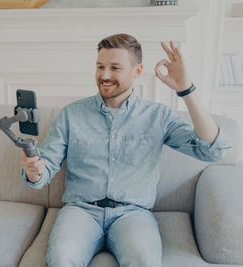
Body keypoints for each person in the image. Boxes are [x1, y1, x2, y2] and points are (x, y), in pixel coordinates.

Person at [20, 33, 231, 267]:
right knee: (61, 257)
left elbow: (211, 151)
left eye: (115, 68)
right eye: (100, 66)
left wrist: (186, 91)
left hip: (133, 214)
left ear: (137, 71)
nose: (104, 75)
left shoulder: (158, 116)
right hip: (80, 211)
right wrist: (34, 170)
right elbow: (44, 171)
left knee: (145, 261)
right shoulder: (71, 114)